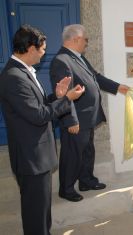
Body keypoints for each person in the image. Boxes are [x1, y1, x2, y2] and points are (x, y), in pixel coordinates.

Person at [0, 25, 84, 235]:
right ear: (30, 48)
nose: (44, 53)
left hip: (37, 157)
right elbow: (38, 116)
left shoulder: (22, 71)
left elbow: (37, 106)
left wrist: (57, 95)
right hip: (31, 158)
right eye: (42, 49)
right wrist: (67, 100)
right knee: (36, 215)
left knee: (41, 211)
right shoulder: (13, 76)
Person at [50, 24, 129, 202]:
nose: (87, 43)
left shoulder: (78, 58)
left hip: (88, 116)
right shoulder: (62, 60)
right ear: (76, 39)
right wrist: (70, 121)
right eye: (85, 39)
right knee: (72, 154)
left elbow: (96, 77)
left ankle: (86, 180)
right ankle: (67, 188)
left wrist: (118, 87)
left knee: (87, 151)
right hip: (76, 118)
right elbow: (64, 96)